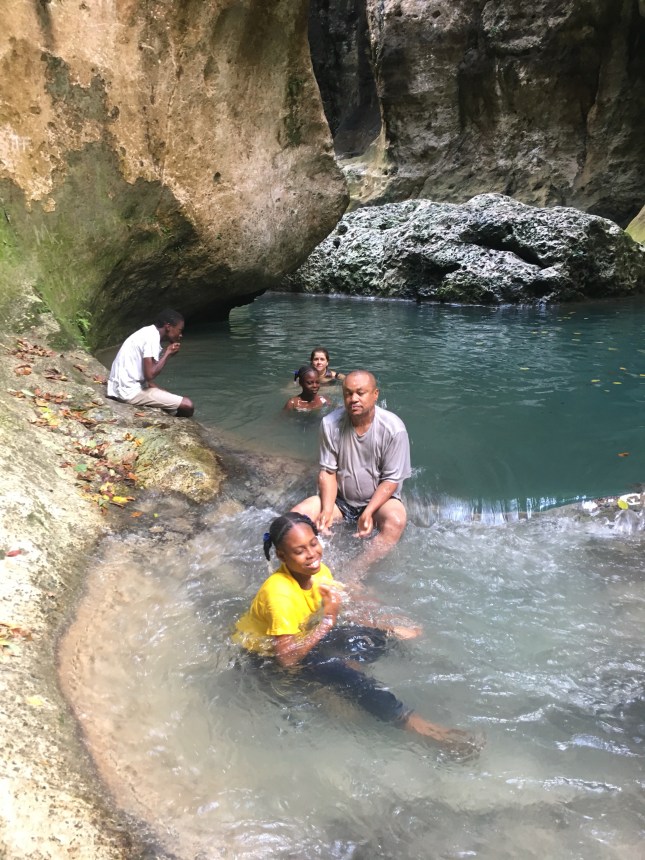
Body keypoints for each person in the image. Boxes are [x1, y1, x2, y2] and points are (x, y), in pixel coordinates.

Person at [234, 513, 478, 754]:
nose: (311, 554)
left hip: (305, 636)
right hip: (266, 658)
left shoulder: (318, 572)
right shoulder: (279, 595)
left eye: (313, 543)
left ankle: (345, 685)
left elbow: (344, 606)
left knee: (374, 639)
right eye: (299, 551)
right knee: (351, 679)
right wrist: (328, 621)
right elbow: (286, 659)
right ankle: (420, 728)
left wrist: (388, 628)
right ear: (282, 556)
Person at [292, 370, 410, 578]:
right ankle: (306, 571)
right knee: (297, 517)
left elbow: (391, 480)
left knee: (396, 520)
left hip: (379, 503)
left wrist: (368, 512)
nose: (353, 398)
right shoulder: (330, 423)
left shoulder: (394, 428)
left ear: (375, 394)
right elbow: (328, 472)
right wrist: (327, 509)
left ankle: (356, 570)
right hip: (341, 501)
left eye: (360, 393)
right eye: (348, 393)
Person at [107, 309, 194, 417]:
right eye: (179, 330)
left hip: (118, 387)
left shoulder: (148, 331)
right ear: (168, 326)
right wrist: (168, 354)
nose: (180, 335)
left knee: (164, 392)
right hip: (128, 392)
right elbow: (150, 375)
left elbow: (146, 375)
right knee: (187, 405)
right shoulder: (152, 338)